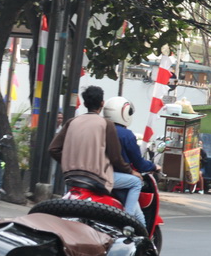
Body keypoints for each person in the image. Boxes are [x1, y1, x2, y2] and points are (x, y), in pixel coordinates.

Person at [49, 86, 146, 227]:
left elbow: (53, 149)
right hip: (97, 179)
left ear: (84, 103)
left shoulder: (71, 122)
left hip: (72, 178)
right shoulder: (106, 124)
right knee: (136, 182)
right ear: (102, 103)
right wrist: (131, 171)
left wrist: (69, 162)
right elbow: (115, 158)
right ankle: (128, 220)